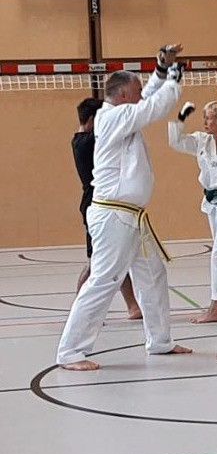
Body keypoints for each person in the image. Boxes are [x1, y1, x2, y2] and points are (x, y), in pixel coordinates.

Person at [56, 44, 192, 370]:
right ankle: (71, 351)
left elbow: (149, 99)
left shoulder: (122, 114)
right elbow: (156, 106)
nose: (141, 95)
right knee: (104, 279)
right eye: (136, 91)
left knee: (153, 275)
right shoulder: (113, 117)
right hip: (115, 215)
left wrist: (161, 68)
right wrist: (175, 73)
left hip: (131, 216)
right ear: (121, 95)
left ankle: (160, 341)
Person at [168, 100, 217, 324]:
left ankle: (216, 307)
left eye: (209, 117)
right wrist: (181, 117)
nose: (205, 122)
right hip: (213, 205)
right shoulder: (202, 140)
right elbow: (176, 141)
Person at [72, 97, 141, 320]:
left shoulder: (83, 139)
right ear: (92, 120)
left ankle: (133, 306)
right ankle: (80, 309)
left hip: (100, 203)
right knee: (96, 262)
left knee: (115, 259)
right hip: (97, 204)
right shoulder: (86, 142)